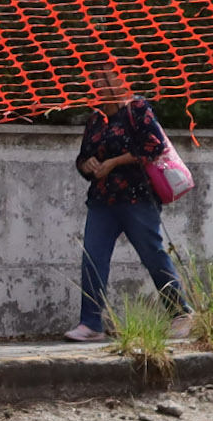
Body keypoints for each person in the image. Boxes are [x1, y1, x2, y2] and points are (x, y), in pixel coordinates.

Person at [65, 68, 187, 344]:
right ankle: (91, 323)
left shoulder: (138, 109)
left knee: (153, 255)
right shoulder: (96, 119)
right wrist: (90, 164)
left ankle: (181, 313)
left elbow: (154, 147)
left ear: (118, 81)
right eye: (94, 79)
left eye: (103, 78)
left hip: (137, 198)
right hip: (102, 201)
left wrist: (114, 162)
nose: (97, 83)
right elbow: (82, 158)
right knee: (92, 259)